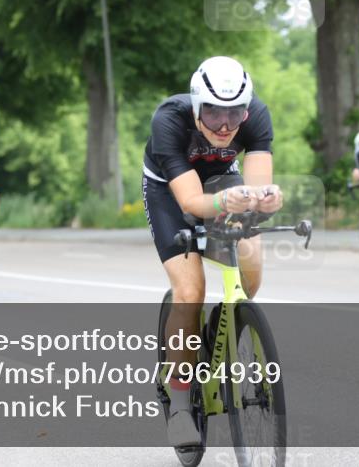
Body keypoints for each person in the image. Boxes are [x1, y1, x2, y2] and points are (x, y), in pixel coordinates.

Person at [142, 56, 282, 449]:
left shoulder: (256, 117)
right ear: (196, 104)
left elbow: (256, 190)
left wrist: (266, 199)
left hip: (222, 180)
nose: (224, 125)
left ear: (247, 108)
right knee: (189, 292)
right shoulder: (169, 120)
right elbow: (190, 202)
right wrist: (224, 203)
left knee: (251, 258)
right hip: (170, 191)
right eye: (213, 112)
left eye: (234, 113)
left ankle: (225, 326)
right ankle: (181, 402)